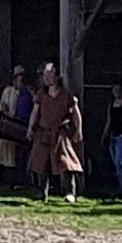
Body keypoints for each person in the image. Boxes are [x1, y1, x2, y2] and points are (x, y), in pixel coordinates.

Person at [28, 63, 84, 202]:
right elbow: (35, 112)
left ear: (57, 76)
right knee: (41, 163)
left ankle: (69, 192)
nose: (47, 77)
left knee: (66, 163)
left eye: (50, 73)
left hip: (60, 133)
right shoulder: (41, 94)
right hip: (43, 132)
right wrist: (30, 128)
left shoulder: (66, 95)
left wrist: (78, 130)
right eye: (45, 74)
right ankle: (42, 193)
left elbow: (76, 113)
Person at [103, 83, 122, 199]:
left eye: (118, 89)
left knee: (120, 163)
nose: (116, 91)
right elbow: (108, 121)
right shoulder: (111, 105)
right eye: (114, 89)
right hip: (113, 137)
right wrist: (104, 135)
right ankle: (121, 189)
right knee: (116, 165)